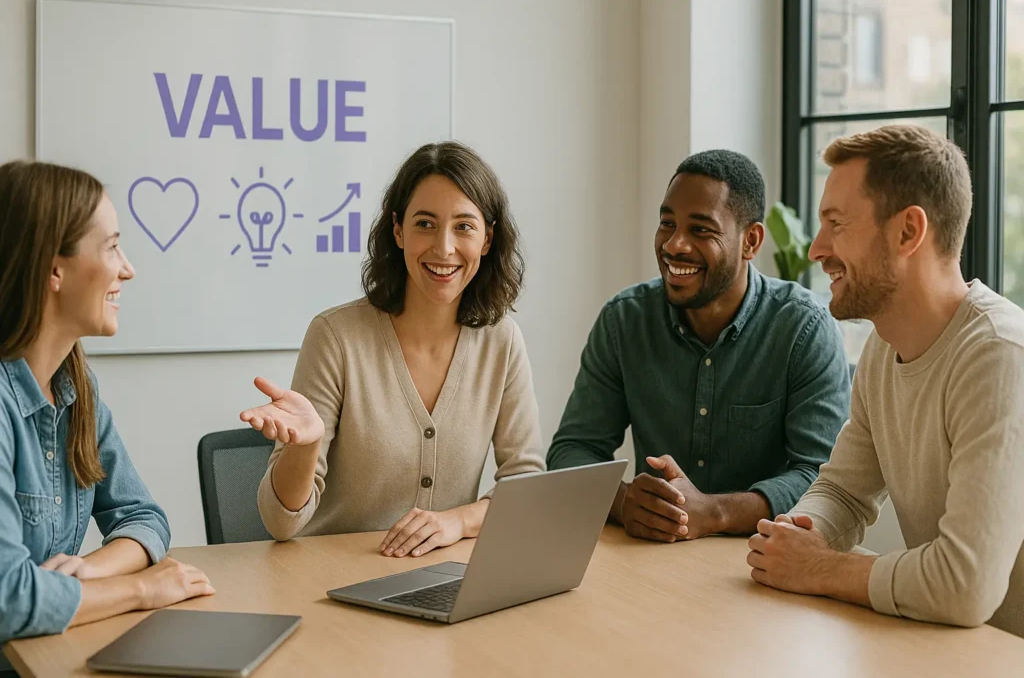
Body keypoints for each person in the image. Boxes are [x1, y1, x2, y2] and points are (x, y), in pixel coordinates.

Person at [746, 125, 1024, 638]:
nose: (816, 249)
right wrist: (796, 534)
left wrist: (818, 568)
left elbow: (966, 585)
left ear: (907, 232)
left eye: (836, 224)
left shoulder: (999, 355)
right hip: (943, 654)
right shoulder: (884, 347)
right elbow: (844, 492)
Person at [243, 141, 546, 559]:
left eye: (464, 226)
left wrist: (458, 521)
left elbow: (527, 486)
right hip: (327, 583)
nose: (443, 248)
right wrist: (305, 446)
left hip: (439, 584)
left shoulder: (502, 342)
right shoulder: (336, 337)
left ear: (488, 240)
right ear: (398, 230)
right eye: (425, 224)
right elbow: (281, 524)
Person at [547, 150, 850, 541]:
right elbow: (572, 450)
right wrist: (622, 503)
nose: (674, 245)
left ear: (751, 241)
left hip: (762, 565)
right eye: (667, 224)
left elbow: (820, 478)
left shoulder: (803, 329)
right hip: (652, 560)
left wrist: (715, 513)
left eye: (701, 230)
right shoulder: (624, 320)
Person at [0, 161, 215, 653]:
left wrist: (89, 569)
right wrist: (140, 589)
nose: (128, 268)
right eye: (113, 246)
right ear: (54, 269)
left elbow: (143, 516)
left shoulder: (77, 387)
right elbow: (7, 600)